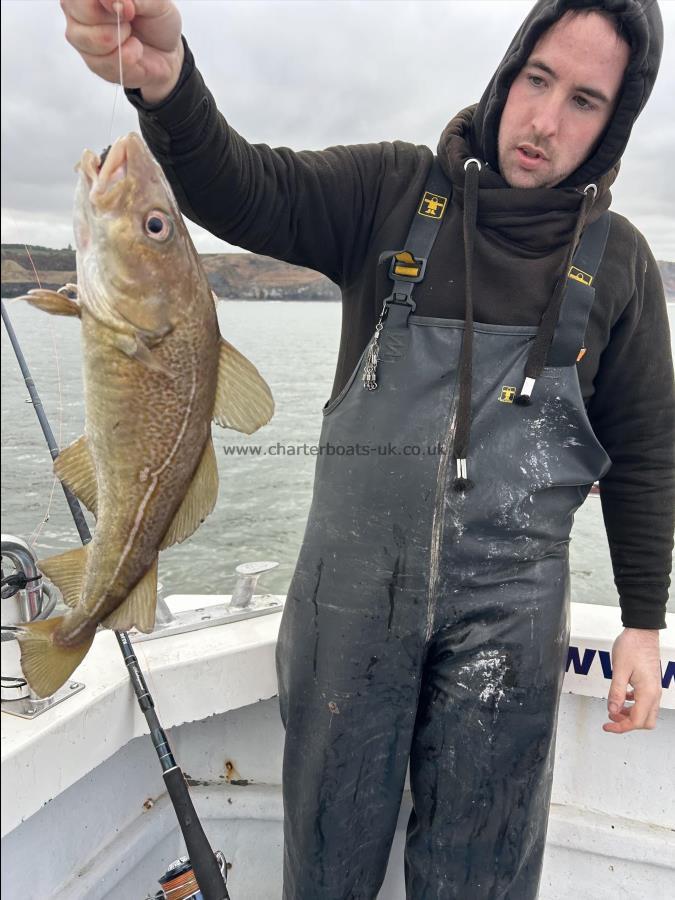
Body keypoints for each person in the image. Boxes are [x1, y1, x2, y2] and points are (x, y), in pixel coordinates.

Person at [62, 0, 673, 896]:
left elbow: (647, 452)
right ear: (508, 73)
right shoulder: (390, 192)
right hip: (348, 601)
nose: (544, 121)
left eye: (584, 100)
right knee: (329, 850)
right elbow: (245, 187)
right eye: (538, 80)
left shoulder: (619, 263)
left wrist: (641, 622)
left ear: (613, 123)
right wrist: (165, 84)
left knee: (480, 868)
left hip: (512, 615)